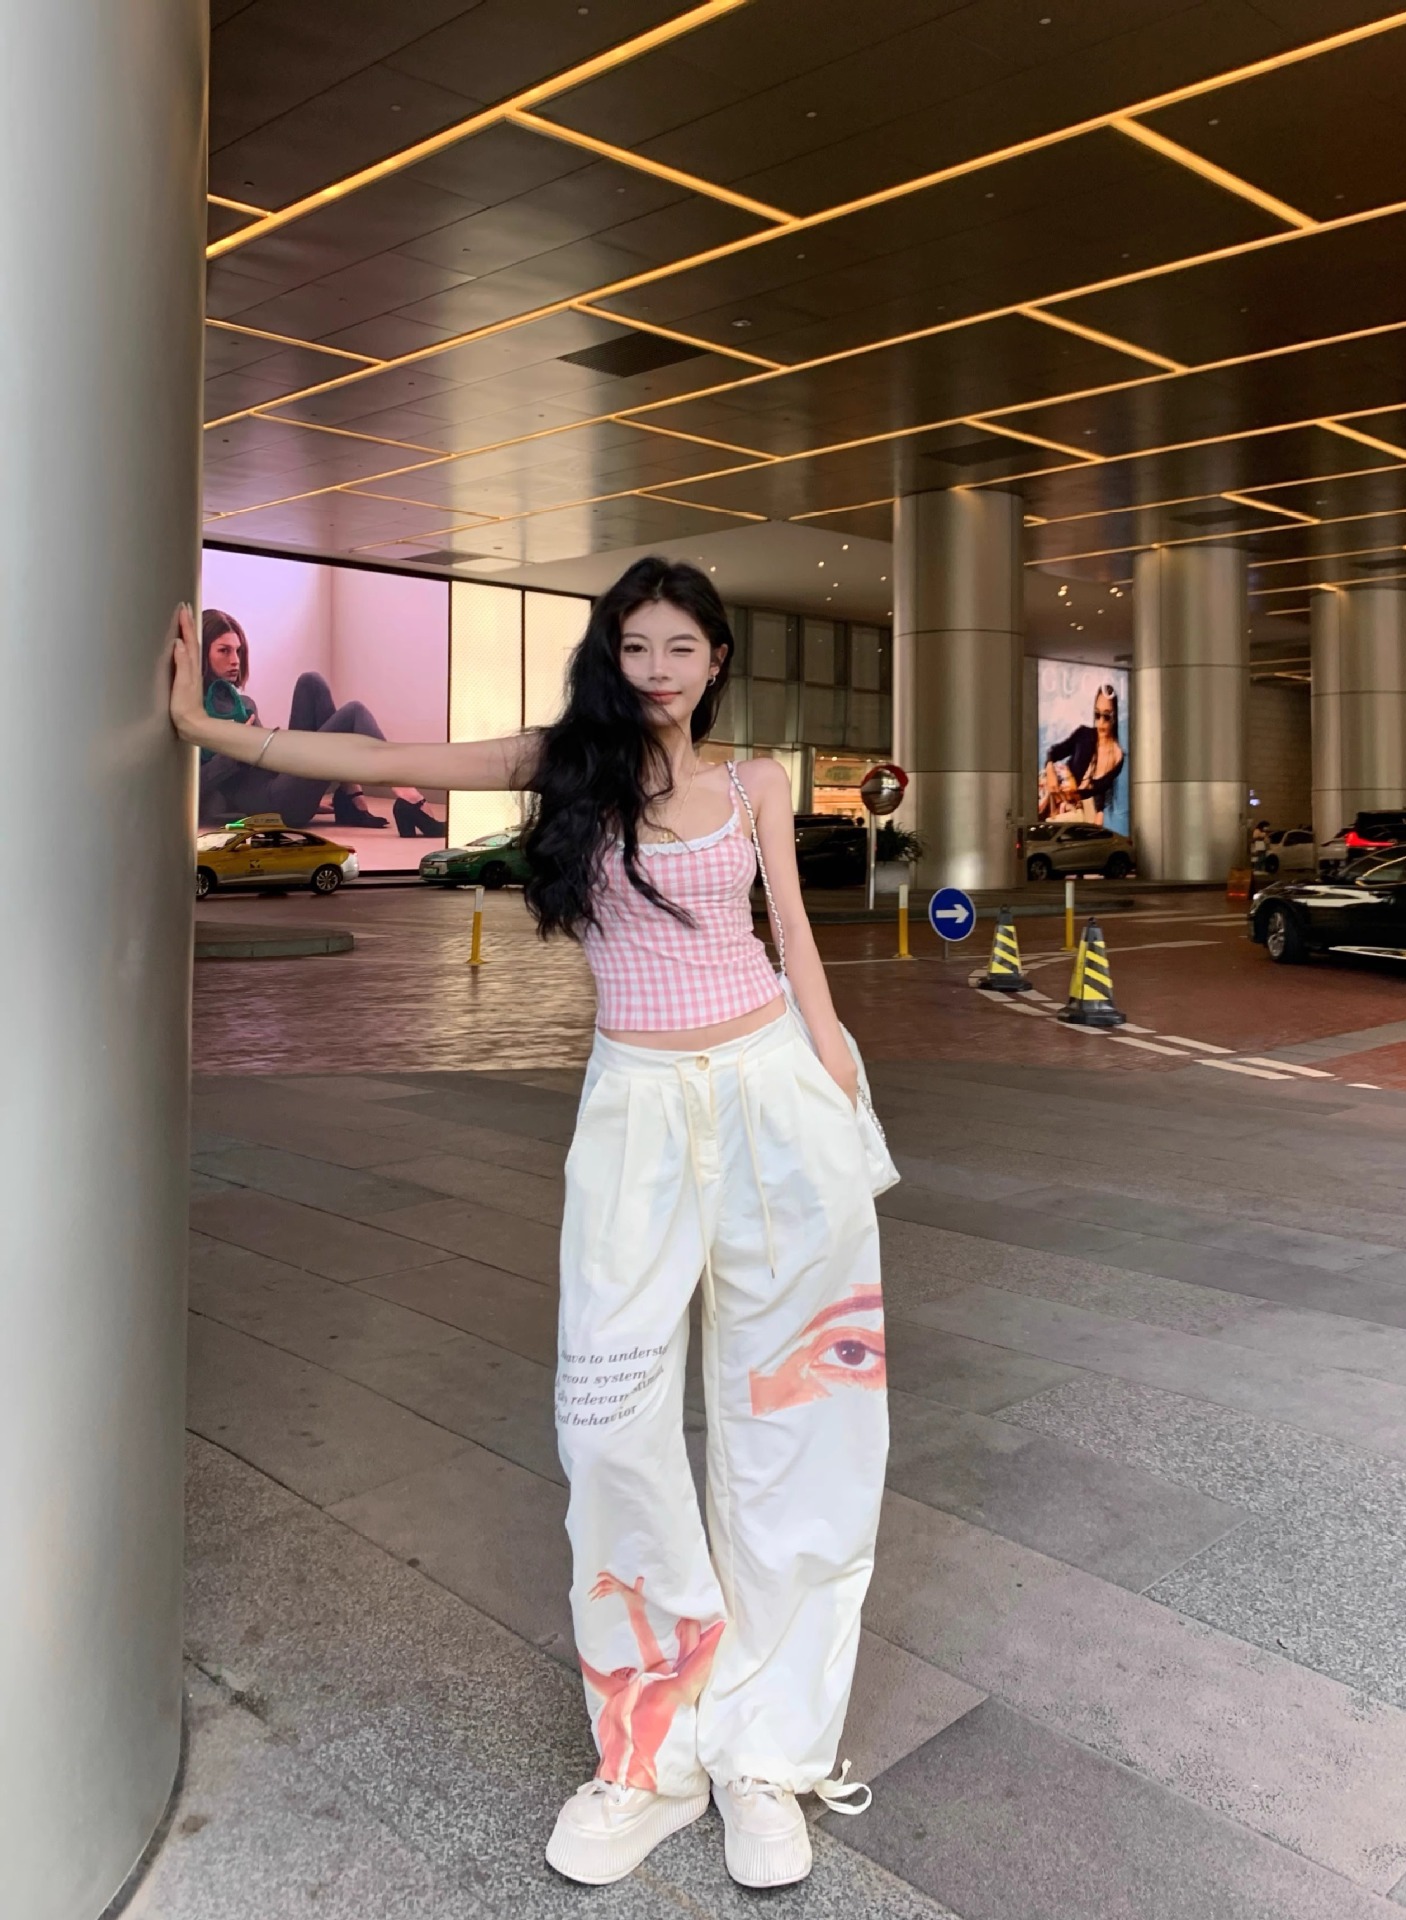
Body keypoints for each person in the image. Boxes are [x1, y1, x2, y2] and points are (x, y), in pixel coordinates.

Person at [170, 557, 887, 1891]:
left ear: (717, 661)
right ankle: (653, 1754)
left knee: (801, 1422)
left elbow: (793, 938)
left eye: (682, 648)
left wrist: (839, 1080)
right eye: (637, 646)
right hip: (637, 1114)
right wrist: (221, 733)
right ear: (611, 654)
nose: (658, 670)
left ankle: (766, 1752)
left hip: (775, 1097)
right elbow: (392, 754)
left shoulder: (758, 782)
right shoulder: (565, 765)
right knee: (608, 1423)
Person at [198, 607, 444, 836]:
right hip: (275, 806)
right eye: (224, 651)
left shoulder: (245, 704)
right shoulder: (194, 715)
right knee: (353, 712)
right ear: (202, 654)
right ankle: (409, 797)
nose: (235, 660)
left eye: (238, 651)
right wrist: (234, 751)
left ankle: (349, 794)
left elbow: (267, 763)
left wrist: (304, 787)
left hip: (282, 787)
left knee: (311, 682)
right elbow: (196, 788)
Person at [1038, 681, 1125, 826]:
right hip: (1049, 791)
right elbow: (1053, 752)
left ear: (1114, 716)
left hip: (1069, 810)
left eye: (1106, 716)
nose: (1100, 722)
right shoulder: (1083, 735)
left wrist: (1099, 813)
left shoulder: (1118, 757)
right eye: (1097, 715)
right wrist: (1050, 770)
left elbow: (1104, 790)